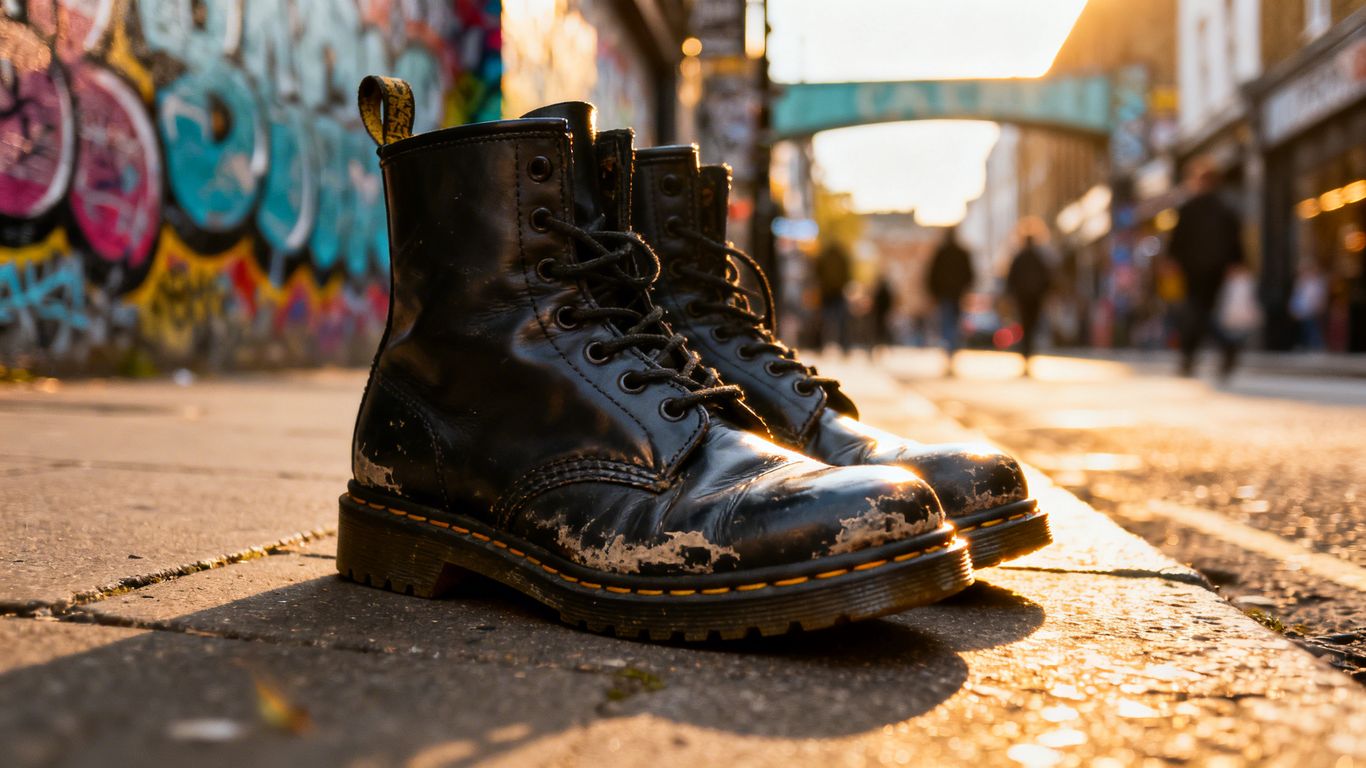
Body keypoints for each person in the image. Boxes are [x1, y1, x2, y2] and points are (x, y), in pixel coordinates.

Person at [1168, 160, 1244, 377]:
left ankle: (1220, 347)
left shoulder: (1191, 207)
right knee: (1201, 312)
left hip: (1196, 270)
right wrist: (1237, 262)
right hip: (1212, 269)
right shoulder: (1224, 207)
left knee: (1196, 312)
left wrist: (1172, 260)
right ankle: (1190, 358)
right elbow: (1235, 240)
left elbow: (1177, 240)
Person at [927, 226, 975, 370]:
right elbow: (970, 274)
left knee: (947, 322)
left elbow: (932, 275)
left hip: (946, 294)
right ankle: (952, 349)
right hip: (956, 294)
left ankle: (950, 349)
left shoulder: (941, 253)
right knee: (953, 322)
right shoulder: (962, 253)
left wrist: (934, 292)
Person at [1006, 234, 1052, 368]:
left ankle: (1026, 351)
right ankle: (1027, 351)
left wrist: (1012, 294)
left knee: (1026, 326)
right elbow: (1047, 278)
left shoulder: (1021, 258)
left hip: (1023, 298)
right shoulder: (1039, 258)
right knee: (1030, 326)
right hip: (1034, 298)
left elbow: (1011, 279)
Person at [815, 242, 853, 353]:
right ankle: (844, 345)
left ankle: (821, 345)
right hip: (838, 291)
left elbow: (817, 271)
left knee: (824, 319)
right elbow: (847, 272)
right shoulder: (842, 257)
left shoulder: (824, 256)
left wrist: (820, 285)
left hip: (826, 291)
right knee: (842, 320)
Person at [871, 275, 895, 355]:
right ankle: (882, 347)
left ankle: (882, 347)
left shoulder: (879, 292)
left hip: (879, 315)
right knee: (883, 331)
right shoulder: (884, 292)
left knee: (881, 332)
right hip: (882, 315)